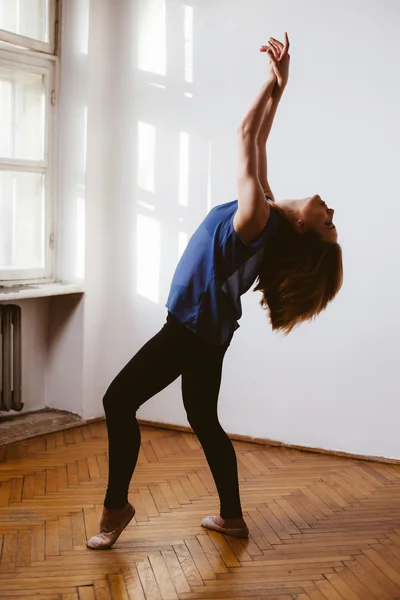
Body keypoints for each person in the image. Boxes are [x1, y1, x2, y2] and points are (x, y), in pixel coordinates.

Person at [86, 33, 343, 549]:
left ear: (303, 232)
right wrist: (280, 86)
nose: (330, 212)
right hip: (211, 334)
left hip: (189, 331)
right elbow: (261, 140)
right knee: (204, 418)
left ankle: (116, 508)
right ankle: (232, 518)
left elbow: (245, 132)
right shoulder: (268, 209)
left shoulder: (255, 218)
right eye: (332, 220)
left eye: (328, 224)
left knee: (117, 401)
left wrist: (271, 84)